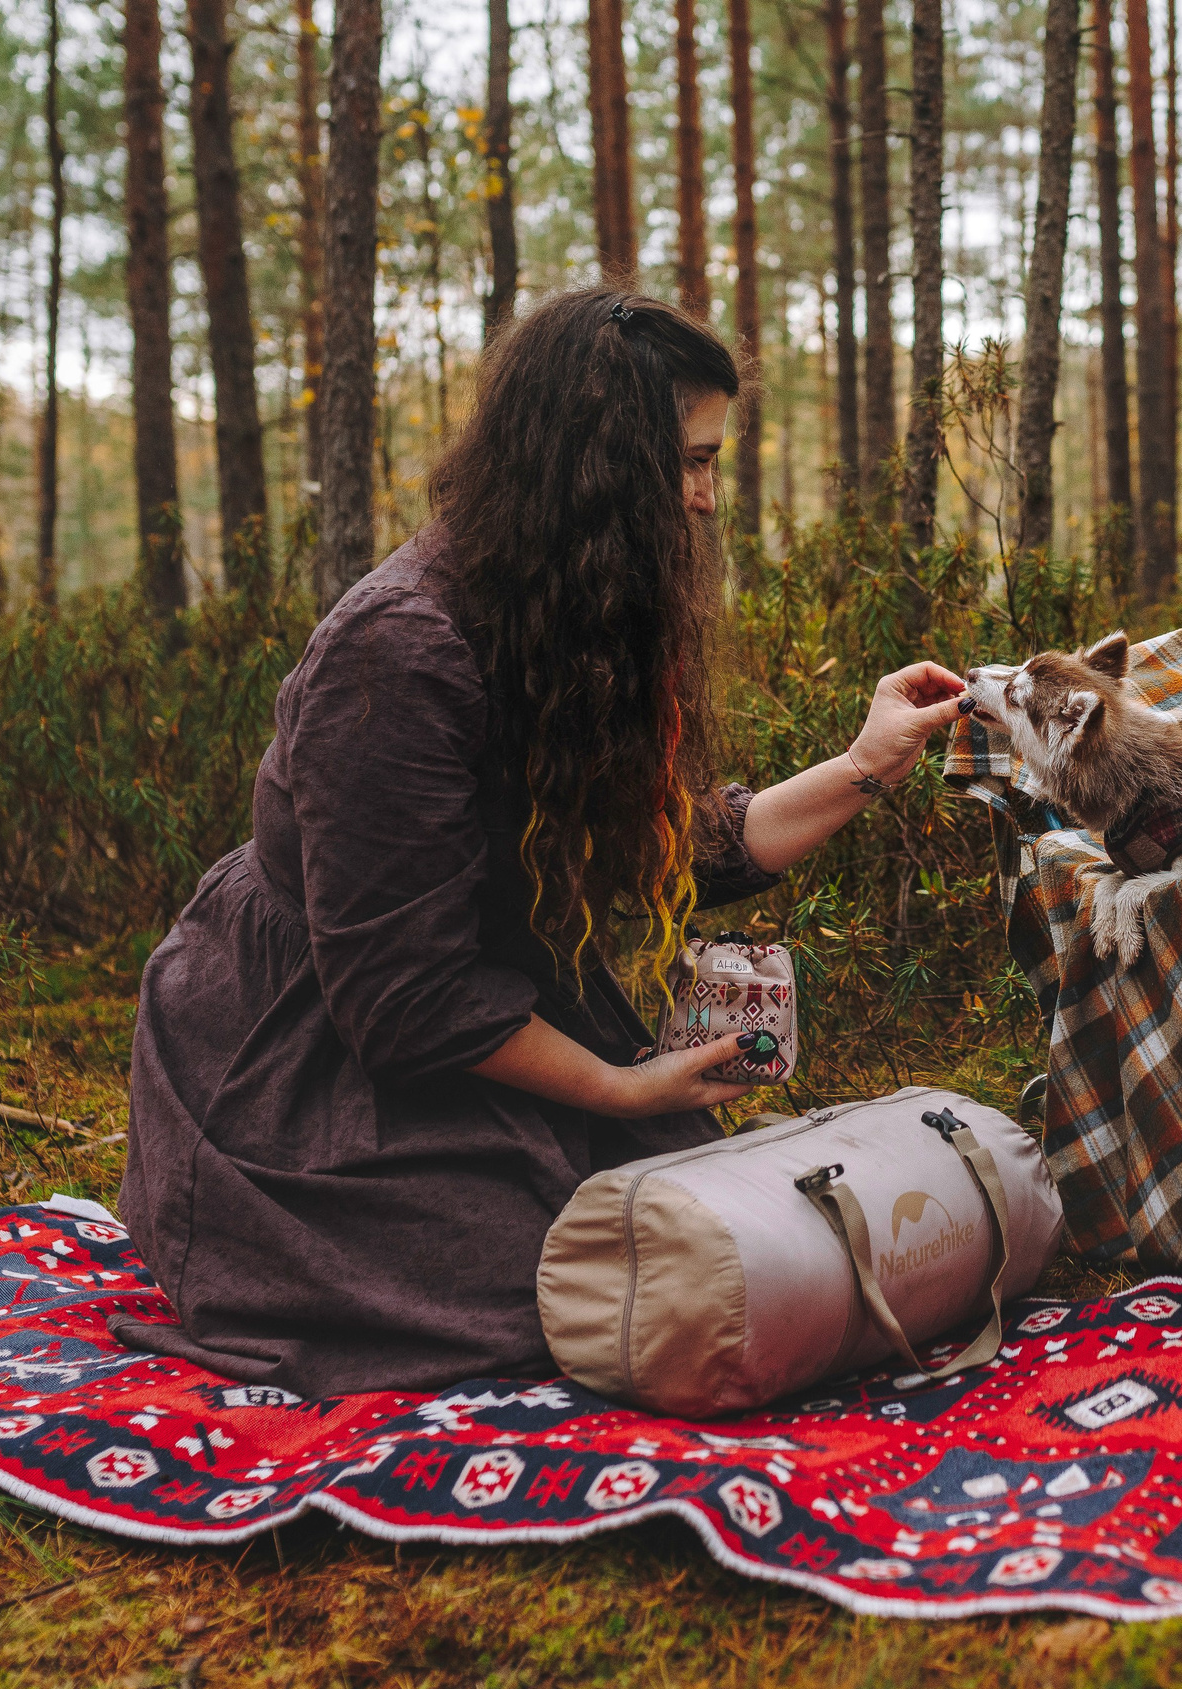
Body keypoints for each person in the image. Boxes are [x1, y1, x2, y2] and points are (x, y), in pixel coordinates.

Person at [113, 288, 967, 1396]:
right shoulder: (396, 654)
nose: (707, 500)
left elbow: (672, 847)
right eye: (691, 464)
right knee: (548, 1286)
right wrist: (620, 1088)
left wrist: (864, 763)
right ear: (597, 469)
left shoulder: (561, 613)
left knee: (688, 1236)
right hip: (310, 1056)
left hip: (481, 1015)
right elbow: (401, 994)